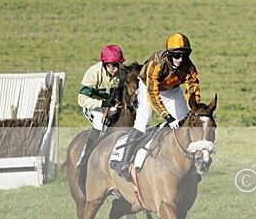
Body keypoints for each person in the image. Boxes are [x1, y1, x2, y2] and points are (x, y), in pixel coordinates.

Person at [115, 33, 202, 181]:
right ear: (169, 54)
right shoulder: (156, 63)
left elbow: (193, 88)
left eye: (184, 56)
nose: (180, 60)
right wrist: (167, 116)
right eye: (176, 56)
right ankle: (123, 161)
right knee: (143, 120)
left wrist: (194, 108)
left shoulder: (188, 66)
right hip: (148, 87)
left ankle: (191, 165)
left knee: (184, 123)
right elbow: (153, 95)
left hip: (172, 89)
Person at [76, 44, 125, 180]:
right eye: (111, 66)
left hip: (111, 106)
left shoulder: (122, 73)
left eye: (117, 65)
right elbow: (82, 99)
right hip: (92, 106)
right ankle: (85, 157)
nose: (114, 69)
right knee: (100, 123)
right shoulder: (93, 73)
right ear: (103, 64)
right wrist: (102, 103)